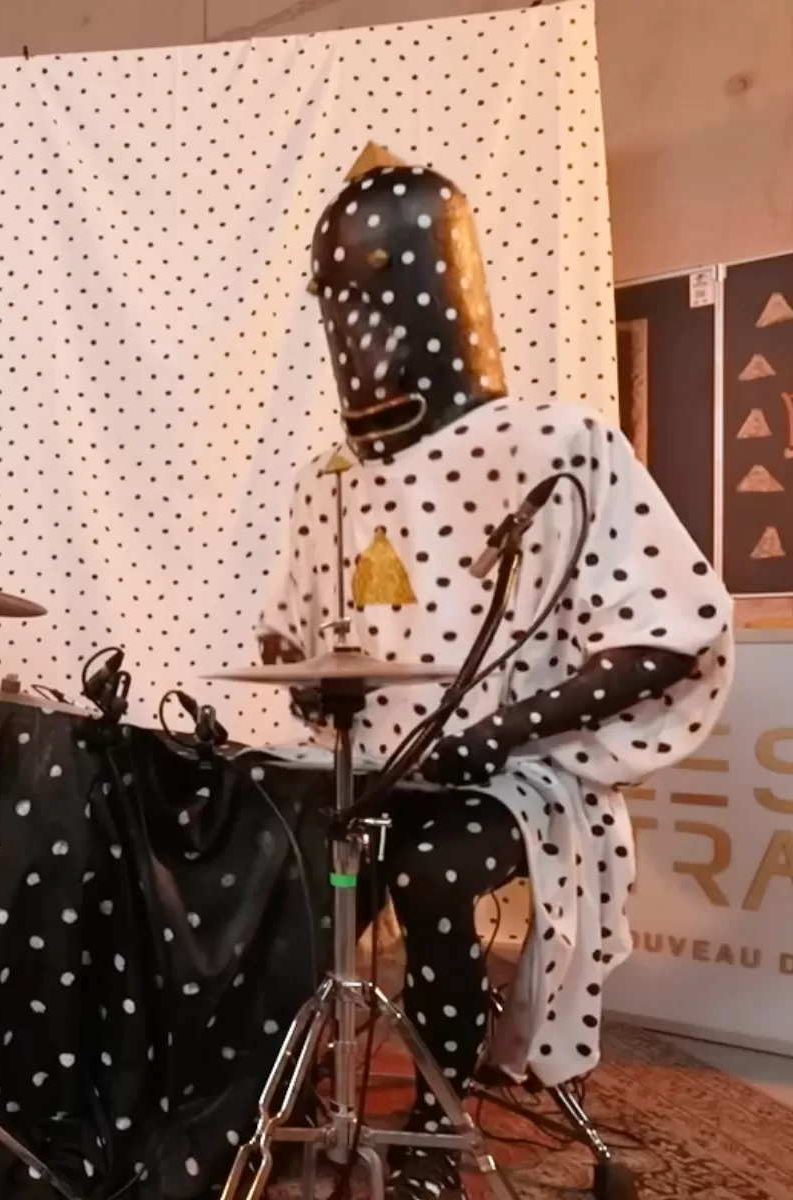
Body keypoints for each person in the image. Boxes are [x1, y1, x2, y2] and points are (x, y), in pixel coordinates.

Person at [258, 144, 734, 1199]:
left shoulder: (562, 444)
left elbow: (677, 632)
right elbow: (291, 643)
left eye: (376, 298)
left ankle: (438, 1120)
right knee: (263, 855)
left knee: (429, 869)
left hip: (521, 779)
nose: (355, 333)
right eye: (339, 306)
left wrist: (506, 732)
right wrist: (306, 683)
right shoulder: (330, 484)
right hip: (373, 772)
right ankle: (266, 1094)